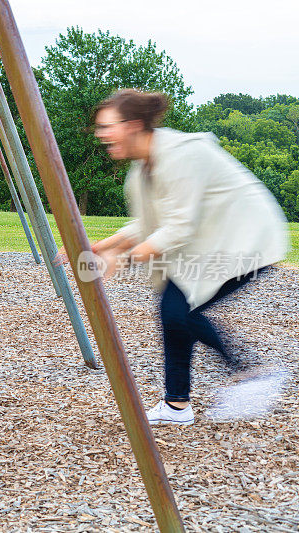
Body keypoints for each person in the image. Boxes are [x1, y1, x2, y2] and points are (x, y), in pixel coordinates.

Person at [75, 89, 289, 425]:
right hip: (212, 241)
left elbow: (178, 228)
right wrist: (106, 245)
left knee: (180, 310)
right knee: (174, 311)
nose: (101, 134)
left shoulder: (179, 156)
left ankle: (253, 375)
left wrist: (126, 259)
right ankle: (178, 405)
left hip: (246, 239)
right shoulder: (142, 169)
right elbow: (151, 225)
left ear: (132, 125)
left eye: (107, 126)